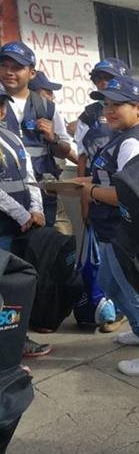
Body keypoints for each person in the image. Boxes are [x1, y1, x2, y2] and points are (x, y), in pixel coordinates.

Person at [75, 76, 139, 377]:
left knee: (138, 295)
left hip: (124, 233)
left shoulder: (132, 142)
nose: (109, 110)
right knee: (112, 284)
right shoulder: (126, 136)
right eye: (106, 104)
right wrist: (90, 183)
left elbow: (128, 196)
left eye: (118, 104)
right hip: (112, 231)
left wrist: (89, 192)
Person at [0, 41, 76, 227]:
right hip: (4, 199)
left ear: (31, 73)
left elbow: (64, 150)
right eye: (4, 66)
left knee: (42, 249)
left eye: (17, 67)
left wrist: (53, 138)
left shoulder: (46, 106)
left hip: (42, 194)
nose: (9, 72)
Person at [0, 82, 51, 358]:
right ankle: (12, 345)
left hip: (22, 228)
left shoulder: (13, 138)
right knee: (3, 289)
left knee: (16, 287)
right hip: (5, 228)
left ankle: (17, 339)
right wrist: (21, 214)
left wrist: (37, 208)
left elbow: (31, 178)